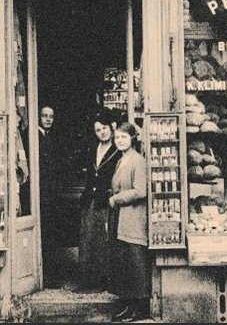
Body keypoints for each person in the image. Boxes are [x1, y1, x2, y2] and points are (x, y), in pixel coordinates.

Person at [108, 122, 150, 322]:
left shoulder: (137, 160)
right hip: (122, 218)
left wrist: (117, 198)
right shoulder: (121, 159)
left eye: (123, 137)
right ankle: (128, 305)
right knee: (125, 263)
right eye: (117, 138)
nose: (120, 141)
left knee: (136, 262)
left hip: (133, 217)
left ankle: (139, 309)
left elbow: (141, 191)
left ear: (132, 138)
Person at [78, 111, 122, 292]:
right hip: (90, 200)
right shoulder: (92, 148)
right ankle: (88, 281)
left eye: (104, 128)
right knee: (88, 239)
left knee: (104, 241)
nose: (101, 132)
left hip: (106, 200)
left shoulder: (118, 151)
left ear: (111, 128)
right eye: (98, 130)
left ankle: (104, 281)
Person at [38, 105, 66, 288]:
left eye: (51, 116)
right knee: (43, 235)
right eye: (44, 116)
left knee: (51, 235)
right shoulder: (30, 136)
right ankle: (42, 275)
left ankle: (51, 275)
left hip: (52, 194)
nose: (48, 119)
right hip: (38, 195)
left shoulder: (55, 137)